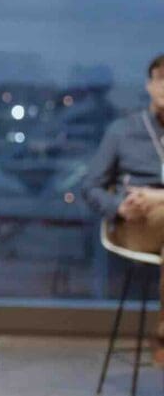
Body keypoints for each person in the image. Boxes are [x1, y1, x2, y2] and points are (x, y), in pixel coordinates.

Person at [82, 53, 164, 366]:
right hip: (136, 225)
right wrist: (119, 208)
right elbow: (90, 187)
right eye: (161, 79)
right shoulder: (122, 130)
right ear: (149, 85)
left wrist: (157, 199)